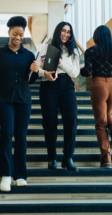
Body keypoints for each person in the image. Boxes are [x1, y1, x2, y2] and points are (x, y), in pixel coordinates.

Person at [0, 16, 39, 192]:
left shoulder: (29, 55)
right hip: (4, 100)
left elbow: (31, 81)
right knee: (6, 134)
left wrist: (35, 71)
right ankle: (5, 174)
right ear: (8, 32)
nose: (18, 37)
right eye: (15, 34)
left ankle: (20, 175)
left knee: (21, 137)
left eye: (21, 34)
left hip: (24, 100)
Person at [80, 25, 112, 168]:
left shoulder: (90, 51)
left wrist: (80, 70)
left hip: (99, 85)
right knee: (108, 113)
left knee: (100, 124)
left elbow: (87, 72)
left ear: (96, 37)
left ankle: (106, 158)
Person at [37, 22, 80, 171]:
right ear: (58, 31)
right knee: (49, 122)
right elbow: (36, 68)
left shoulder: (73, 51)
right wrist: (45, 74)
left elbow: (75, 73)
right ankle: (52, 157)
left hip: (67, 85)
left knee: (72, 119)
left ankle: (68, 157)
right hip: (48, 85)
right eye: (63, 31)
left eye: (69, 32)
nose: (66, 34)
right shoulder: (44, 48)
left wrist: (60, 63)